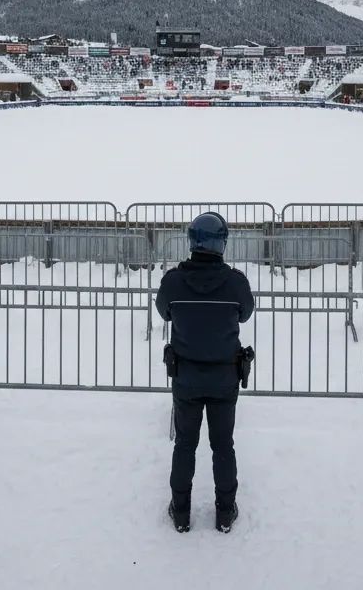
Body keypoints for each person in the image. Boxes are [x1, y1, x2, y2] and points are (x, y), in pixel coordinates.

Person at [155, 212, 254, 534]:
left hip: (186, 376)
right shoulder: (236, 282)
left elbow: (164, 311)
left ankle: (181, 511)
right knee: (223, 445)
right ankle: (225, 511)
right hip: (225, 377)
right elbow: (245, 315)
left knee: (185, 444)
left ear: (191, 240)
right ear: (222, 242)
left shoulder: (173, 280)